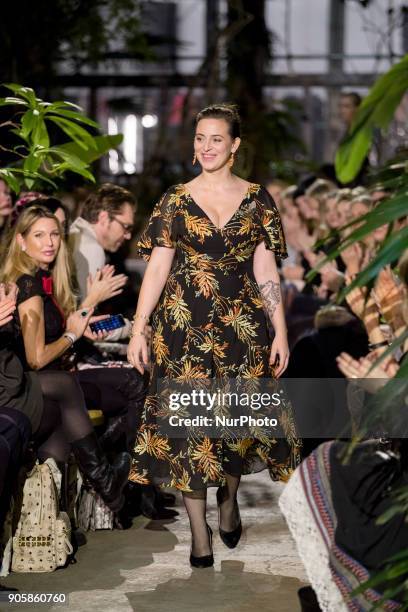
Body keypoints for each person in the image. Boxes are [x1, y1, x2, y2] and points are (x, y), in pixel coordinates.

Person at [127, 103, 301, 568]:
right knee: (191, 432)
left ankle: (228, 500)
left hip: (242, 327)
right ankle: (198, 533)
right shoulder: (175, 199)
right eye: (200, 138)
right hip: (182, 327)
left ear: (235, 145)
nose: (205, 147)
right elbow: (158, 266)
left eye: (216, 139)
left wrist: (279, 331)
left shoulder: (258, 198)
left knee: (234, 427)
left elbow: (267, 267)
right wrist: (139, 328)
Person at [0, 282, 131, 513]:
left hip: (19, 376)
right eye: (38, 241)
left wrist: (81, 318)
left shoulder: (35, 282)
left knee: (68, 389)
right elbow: (35, 359)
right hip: (10, 386)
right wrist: (73, 333)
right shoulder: (28, 284)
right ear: (20, 243)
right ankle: (98, 488)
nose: (50, 243)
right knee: (64, 395)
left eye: (55, 241)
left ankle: (59, 512)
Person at [70, 183, 135, 303]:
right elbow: (81, 316)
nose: (128, 235)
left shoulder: (75, 231)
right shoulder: (93, 249)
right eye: (126, 227)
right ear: (104, 219)